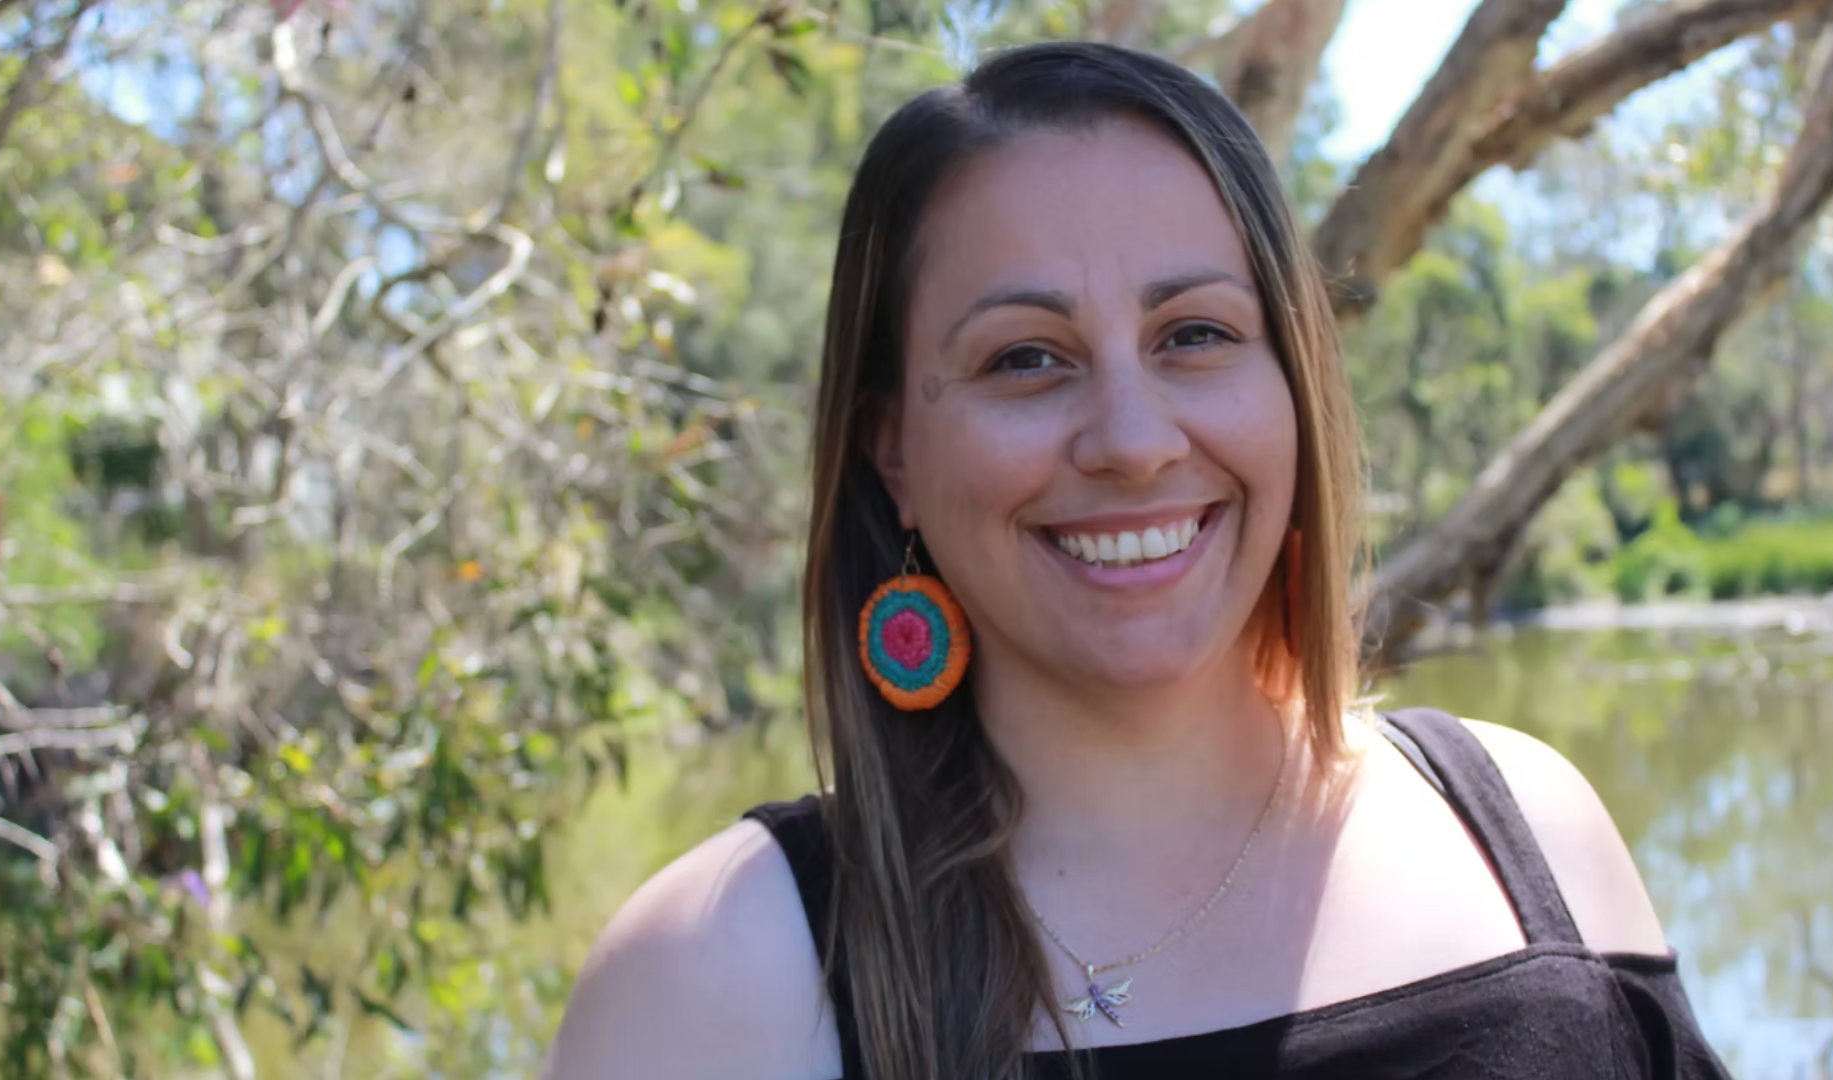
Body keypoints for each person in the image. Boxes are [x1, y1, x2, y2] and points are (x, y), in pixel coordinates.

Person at [542, 40, 1732, 1080]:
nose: (1132, 441)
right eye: (1025, 359)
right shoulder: (716, 975)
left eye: (1197, 336)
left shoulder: (1530, 839)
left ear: (1297, 385)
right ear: (892, 448)